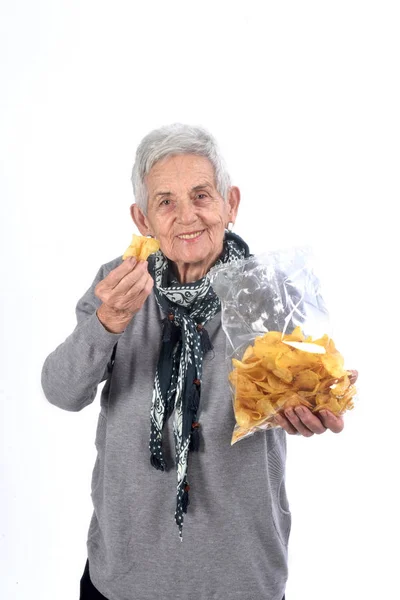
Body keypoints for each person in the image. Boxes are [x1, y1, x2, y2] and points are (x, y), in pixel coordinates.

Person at [41, 123, 356, 600]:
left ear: (231, 203)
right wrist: (108, 322)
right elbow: (61, 391)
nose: (186, 216)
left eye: (201, 196)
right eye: (165, 201)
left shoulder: (268, 293)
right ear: (142, 218)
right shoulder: (118, 283)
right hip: (123, 578)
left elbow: (297, 388)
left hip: (240, 578)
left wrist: (312, 403)